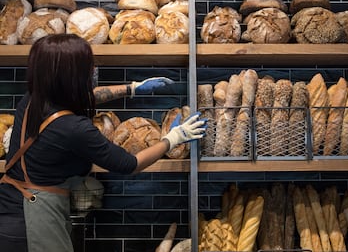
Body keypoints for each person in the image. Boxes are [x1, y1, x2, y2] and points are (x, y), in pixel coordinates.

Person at [0, 33, 206, 252]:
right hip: (31, 224)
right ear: (71, 75)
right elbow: (130, 164)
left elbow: (86, 96)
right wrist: (173, 139)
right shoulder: (74, 128)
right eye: (88, 65)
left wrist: (131, 88)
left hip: (9, 206)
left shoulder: (31, 100)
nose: (93, 69)